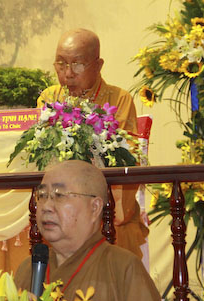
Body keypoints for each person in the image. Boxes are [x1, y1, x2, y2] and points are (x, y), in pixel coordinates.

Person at [14, 160, 172, 301]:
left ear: (95, 207)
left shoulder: (122, 267)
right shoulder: (28, 269)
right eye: (42, 195)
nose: (46, 206)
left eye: (59, 195)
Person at [38, 28, 146, 258]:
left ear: (98, 65)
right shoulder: (48, 99)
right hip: (57, 203)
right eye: (61, 64)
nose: (68, 74)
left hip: (104, 207)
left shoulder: (119, 99)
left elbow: (126, 160)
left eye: (77, 64)